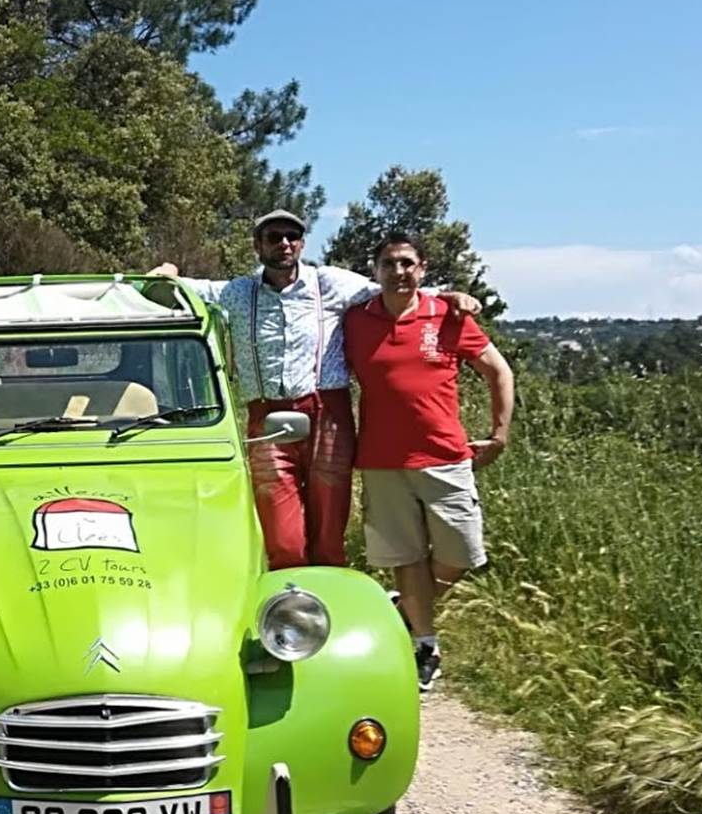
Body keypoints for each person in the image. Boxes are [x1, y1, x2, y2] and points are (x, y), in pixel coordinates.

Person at [152, 210, 482, 570]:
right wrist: (170, 275)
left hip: (327, 413)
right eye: (274, 237)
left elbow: (393, 287)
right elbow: (191, 289)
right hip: (268, 420)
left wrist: (449, 296)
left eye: (291, 236)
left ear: (302, 243)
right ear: (257, 245)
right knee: (284, 538)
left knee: (328, 532)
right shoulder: (237, 291)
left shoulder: (329, 283)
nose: (284, 244)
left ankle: (328, 611)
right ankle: (290, 617)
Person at [344, 232, 515, 691]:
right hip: (382, 461)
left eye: (406, 264)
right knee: (406, 555)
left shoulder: (446, 315)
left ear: (421, 269)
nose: (398, 272)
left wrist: (499, 434)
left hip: (445, 457)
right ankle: (424, 643)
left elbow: (498, 370)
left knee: (462, 552)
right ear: (375, 270)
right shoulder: (357, 320)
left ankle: (402, 608)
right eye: (388, 264)